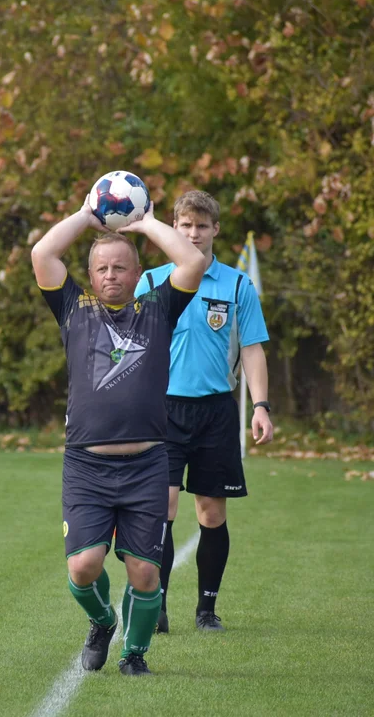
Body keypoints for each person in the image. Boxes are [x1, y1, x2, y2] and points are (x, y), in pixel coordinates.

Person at [30, 194, 205, 676]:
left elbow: (192, 259)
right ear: (90, 276)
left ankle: (134, 655)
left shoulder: (158, 310)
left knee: (145, 572)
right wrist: (88, 217)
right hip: (87, 465)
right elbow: (42, 254)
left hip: (147, 463)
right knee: (83, 567)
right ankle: (103, 621)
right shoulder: (74, 310)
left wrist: (146, 223)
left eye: (121, 267)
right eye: (103, 268)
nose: (111, 275)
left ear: (137, 274)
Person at [132, 190, 274, 634]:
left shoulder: (236, 285)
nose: (193, 233)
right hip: (161, 411)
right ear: (174, 226)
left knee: (211, 514)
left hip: (215, 411)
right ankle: (159, 606)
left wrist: (262, 406)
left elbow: (252, 348)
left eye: (202, 226)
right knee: (164, 508)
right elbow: (130, 349)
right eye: (185, 225)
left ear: (215, 230)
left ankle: (207, 610)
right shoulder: (151, 282)